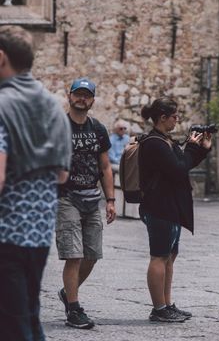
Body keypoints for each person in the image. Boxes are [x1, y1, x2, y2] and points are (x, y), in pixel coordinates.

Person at [0, 26, 72, 341]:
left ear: (1, 59)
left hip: (6, 232)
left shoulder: (2, 104)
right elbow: (62, 175)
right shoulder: (54, 107)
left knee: (12, 324)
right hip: (40, 233)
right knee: (29, 315)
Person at [139, 98, 211, 323]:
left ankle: (167, 303)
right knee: (159, 256)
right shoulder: (154, 143)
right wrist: (191, 145)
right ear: (163, 118)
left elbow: (184, 163)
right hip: (159, 206)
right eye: (174, 116)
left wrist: (201, 149)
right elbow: (178, 168)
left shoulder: (165, 140)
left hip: (170, 205)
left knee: (170, 256)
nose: (177, 119)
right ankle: (158, 308)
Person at [57, 77, 115, 329]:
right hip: (66, 197)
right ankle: (73, 309)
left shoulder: (98, 129)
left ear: (92, 99)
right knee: (74, 255)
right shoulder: (56, 126)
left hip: (92, 197)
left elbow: (105, 166)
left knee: (92, 255)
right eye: (77, 94)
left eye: (86, 95)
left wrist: (111, 199)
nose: (82, 98)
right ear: (69, 96)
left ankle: (68, 292)